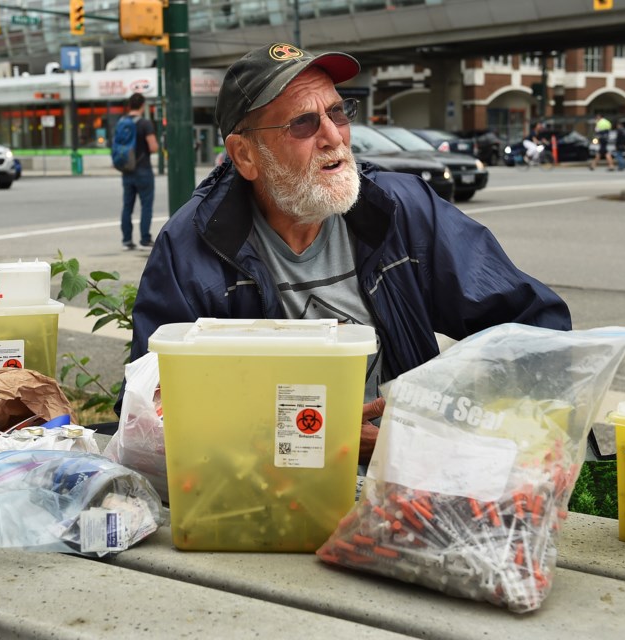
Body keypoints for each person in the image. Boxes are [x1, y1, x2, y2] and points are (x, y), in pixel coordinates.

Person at [115, 43, 572, 467]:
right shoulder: (192, 247)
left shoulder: (402, 210)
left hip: (411, 476)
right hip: (266, 491)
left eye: (337, 112)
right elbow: (149, 418)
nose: (334, 136)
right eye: (303, 123)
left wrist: (442, 422)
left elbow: (533, 328)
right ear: (245, 154)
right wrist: (311, 436)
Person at [119, 93, 159, 250]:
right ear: (142, 105)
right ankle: (145, 238)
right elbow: (153, 147)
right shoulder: (145, 124)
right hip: (143, 170)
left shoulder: (122, 122)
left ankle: (127, 240)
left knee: (127, 206)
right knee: (146, 205)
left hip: (127, 170)